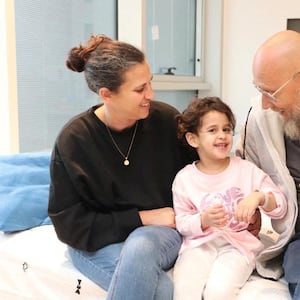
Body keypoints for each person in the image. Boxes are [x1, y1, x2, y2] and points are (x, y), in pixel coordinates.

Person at [48, 34, 198, 300]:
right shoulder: (74, 140)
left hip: (157, 237)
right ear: (107, 94)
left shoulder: (166, 120)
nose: (150, 95)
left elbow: (203, 172)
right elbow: (70, 225)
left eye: (150, 83)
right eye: (140, 89)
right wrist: (143, 217)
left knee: (140, 246)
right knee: (161, 290)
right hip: (95, 243)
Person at [172, 97, 287, 300]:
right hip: (199, 246)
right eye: (212, 130)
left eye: (226, 129)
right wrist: (203, 220)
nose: (222, 136)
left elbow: (280, 205)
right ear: (193, 139)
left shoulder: (247, 170)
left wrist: (258, 198)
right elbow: (182, 223)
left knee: (219, 292)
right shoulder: (184, 179)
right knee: (184, 290)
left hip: (238, 247)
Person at [235, 30, 300, 299]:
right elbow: (244, 176)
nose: (264, 103)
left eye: (270, 92)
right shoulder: (259, 120)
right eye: (259, 90)